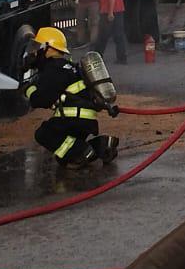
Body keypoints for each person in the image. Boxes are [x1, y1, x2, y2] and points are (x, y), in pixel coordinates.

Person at [21, 27, 119, 168]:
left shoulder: (53, 70)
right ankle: (102, 145)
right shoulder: (69, 66)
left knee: (44, 134)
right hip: (84, 121)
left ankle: (83, 151)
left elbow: (40, 100)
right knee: (65, 157)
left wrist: (27, 89)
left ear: (48, 49)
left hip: (72, 119)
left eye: (38, 47)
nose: (35, 52)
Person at [95, 0, 129, 64]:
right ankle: (122, 58)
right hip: (119, 10)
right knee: (119, 35)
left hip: (108, 12)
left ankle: (97, 58)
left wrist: (110, 12)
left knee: (102, 36)